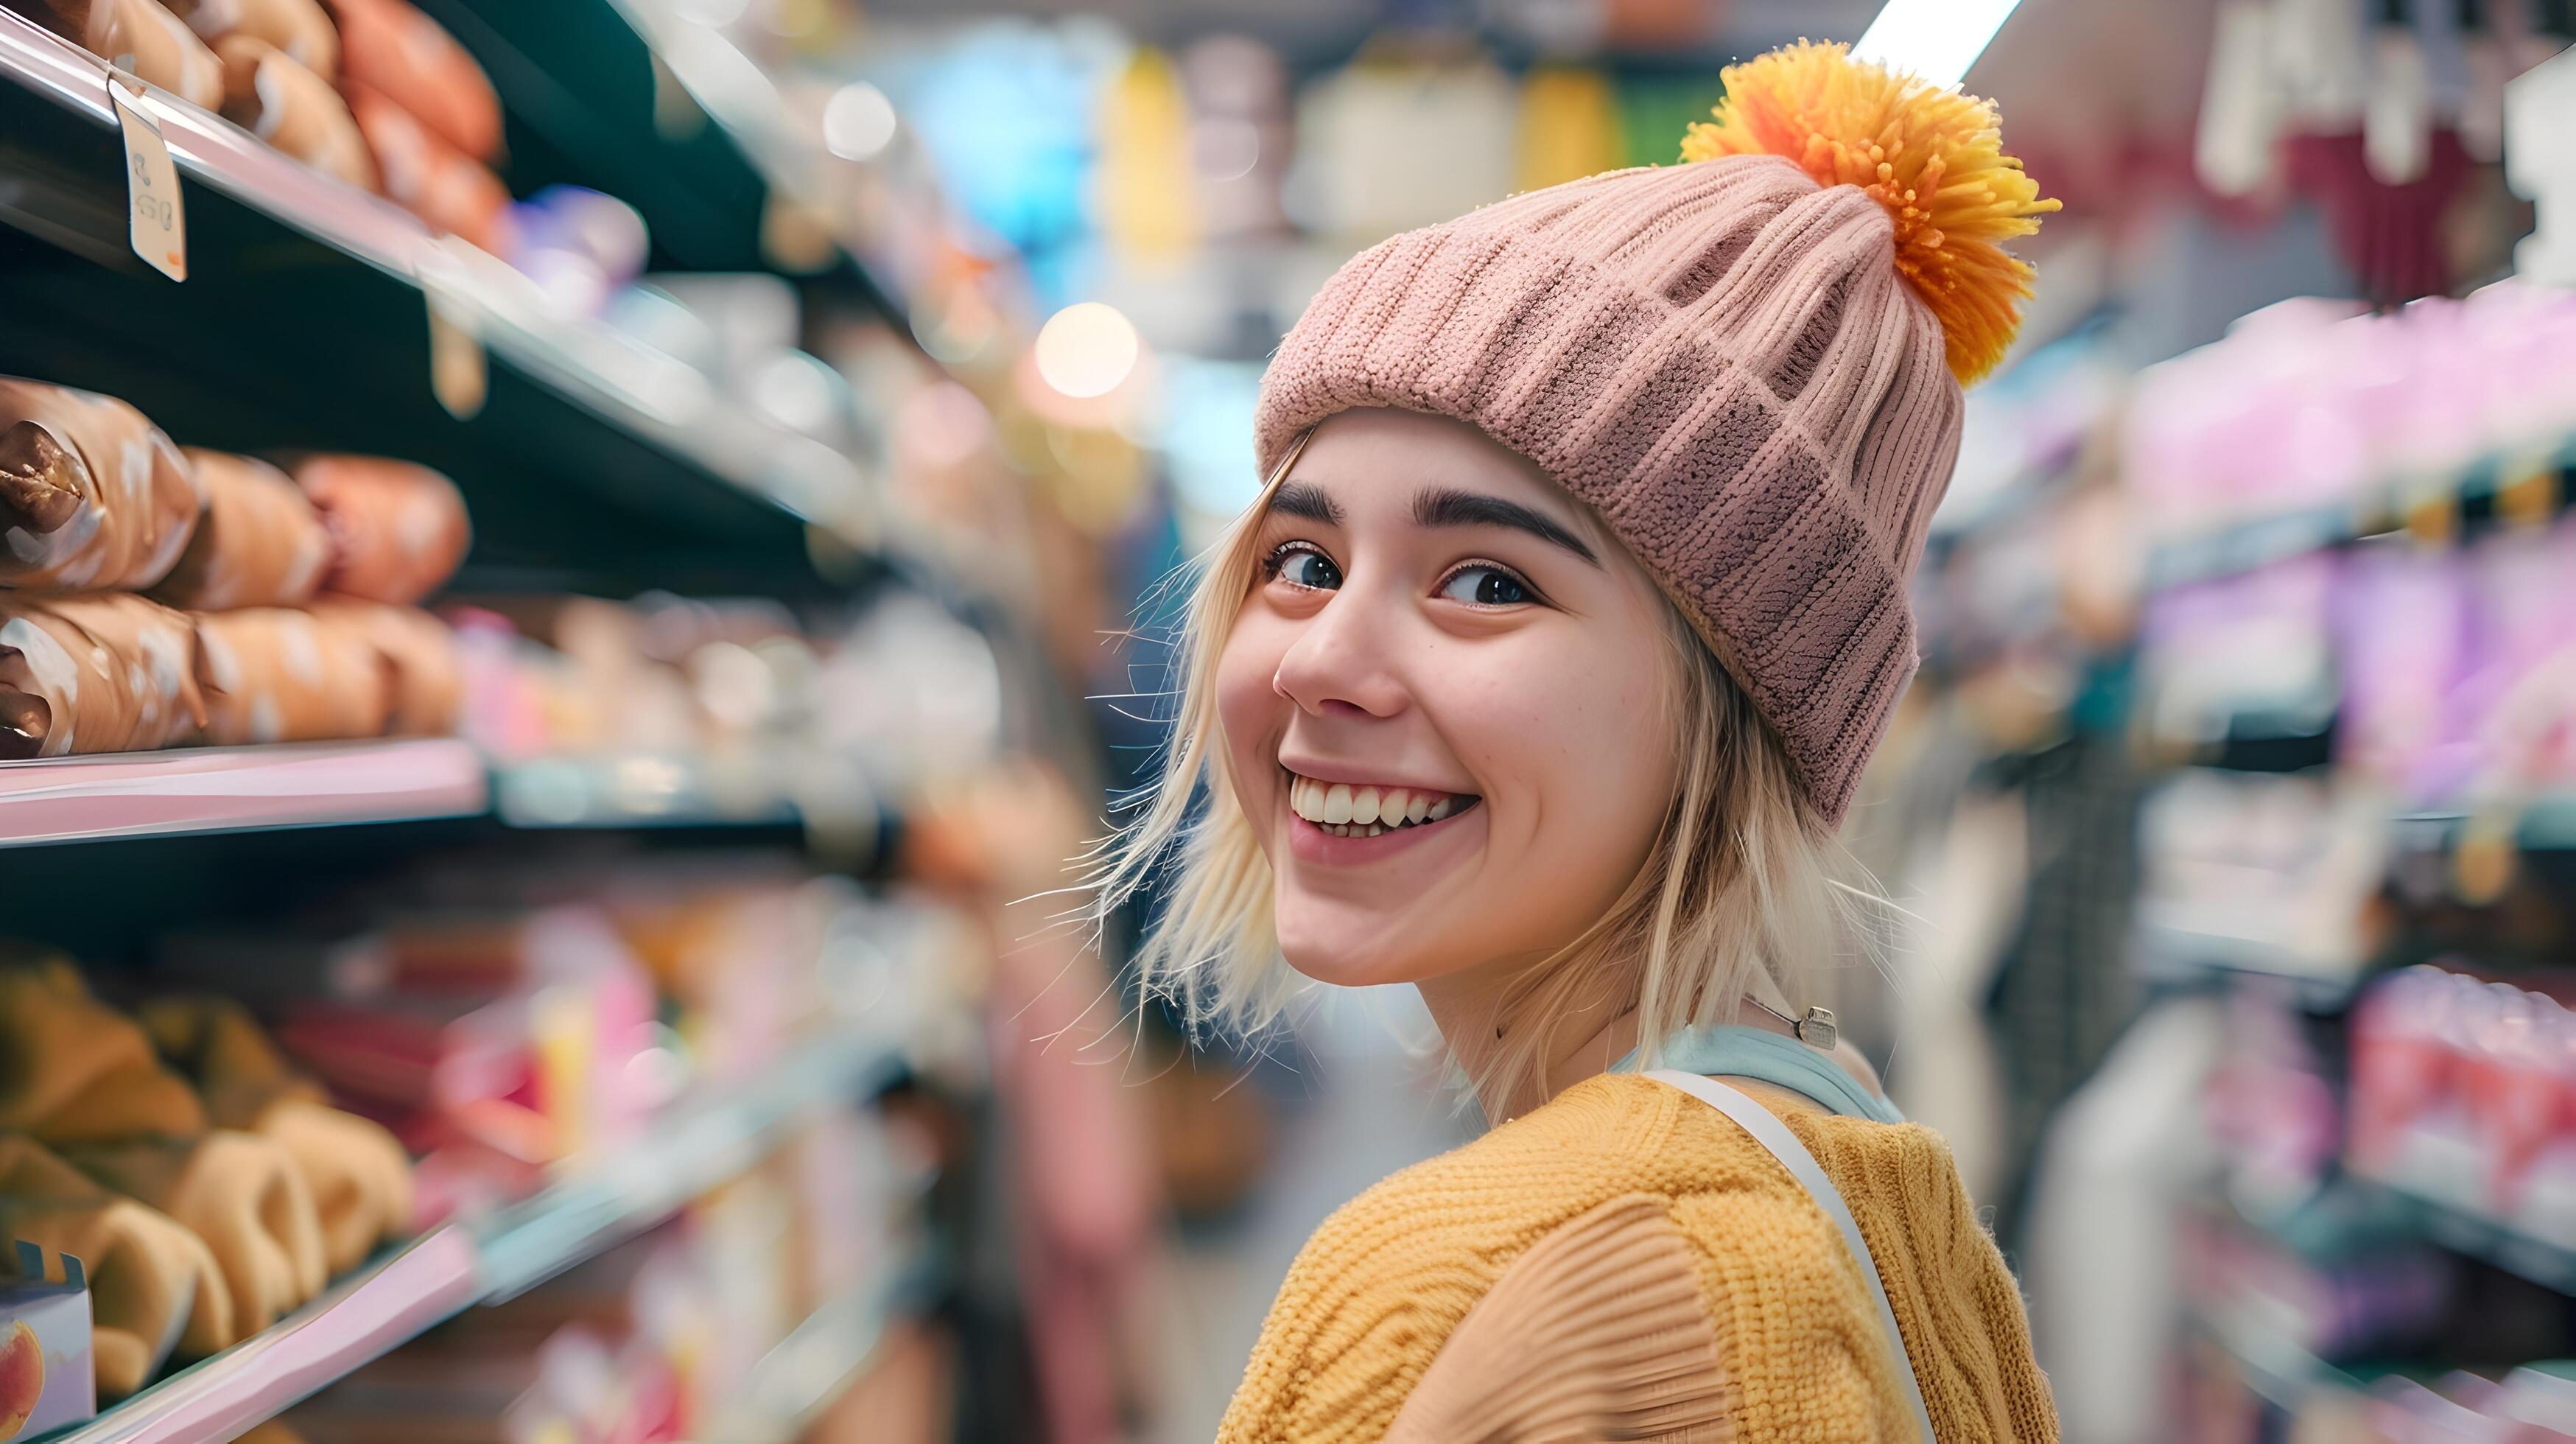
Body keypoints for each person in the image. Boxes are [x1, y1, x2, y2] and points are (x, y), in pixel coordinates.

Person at [1094, 39, 2063, 1443]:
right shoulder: (1866, 1177)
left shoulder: (1475, 1283)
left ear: (1739, 703)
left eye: (1487, 582)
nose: (1318, 658)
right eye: (1301, 558)